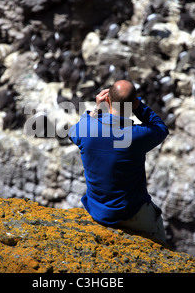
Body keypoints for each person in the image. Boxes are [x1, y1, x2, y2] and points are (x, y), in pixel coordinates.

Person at [68, 79, 169, 244]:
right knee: (160, 240)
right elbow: (161, 128)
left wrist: (97, 110)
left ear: (107, 99)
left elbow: (73, 132)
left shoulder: (86, 130)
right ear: (133, 103)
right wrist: (139, 107)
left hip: (98, 211)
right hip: (132, 214)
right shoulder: (136, 135)